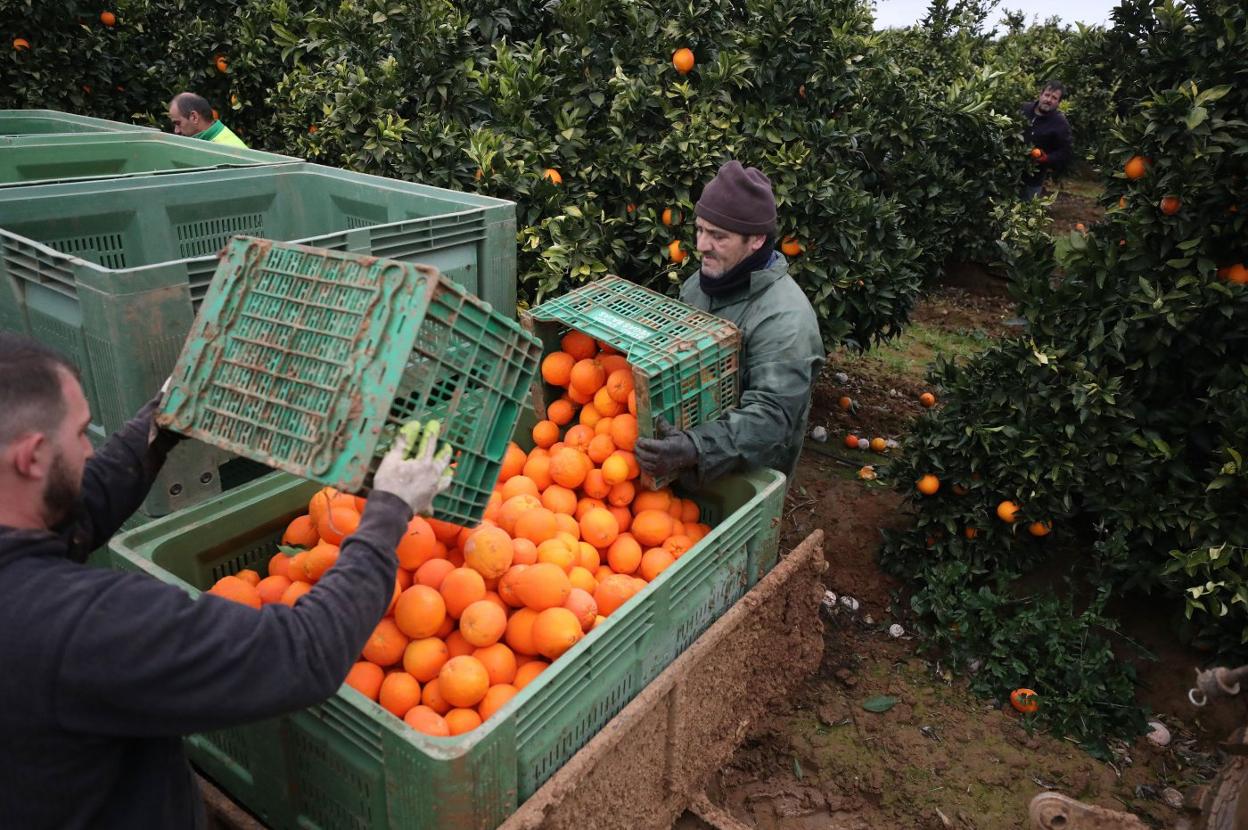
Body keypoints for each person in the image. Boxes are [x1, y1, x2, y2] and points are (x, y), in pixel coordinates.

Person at [0, 334, 451, 828]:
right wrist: (389, 510)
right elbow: (300, 653)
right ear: (33, 456)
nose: (90, 450)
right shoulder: (76, 627)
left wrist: (166, 415)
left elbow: (76, 510)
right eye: (83, 433)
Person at [634, 161, 825, 489]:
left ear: (756, 240)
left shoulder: (784, 320)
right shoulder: (700, 284)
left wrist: (696, 446)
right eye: (700, 230)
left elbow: (771, 418)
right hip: (685, 465)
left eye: (718, 236)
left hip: (743, 481)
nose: (701, 246)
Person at [1021, 80, 1074, 200]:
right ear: (1041, 95)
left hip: (1033, 179)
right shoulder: (1023, 109)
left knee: (1024, 213)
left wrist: (1047, 158)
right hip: (1010, 173)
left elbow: (1066, 152)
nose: (1049, 100)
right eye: (1047, 95)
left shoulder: (1060, 123)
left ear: (1059, 103)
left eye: (1054, 98)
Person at [167, 91, 248, 148]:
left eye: (178, 123)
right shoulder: (213, 140)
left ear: (194, 117)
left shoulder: (223, 150)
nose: (176, 131)